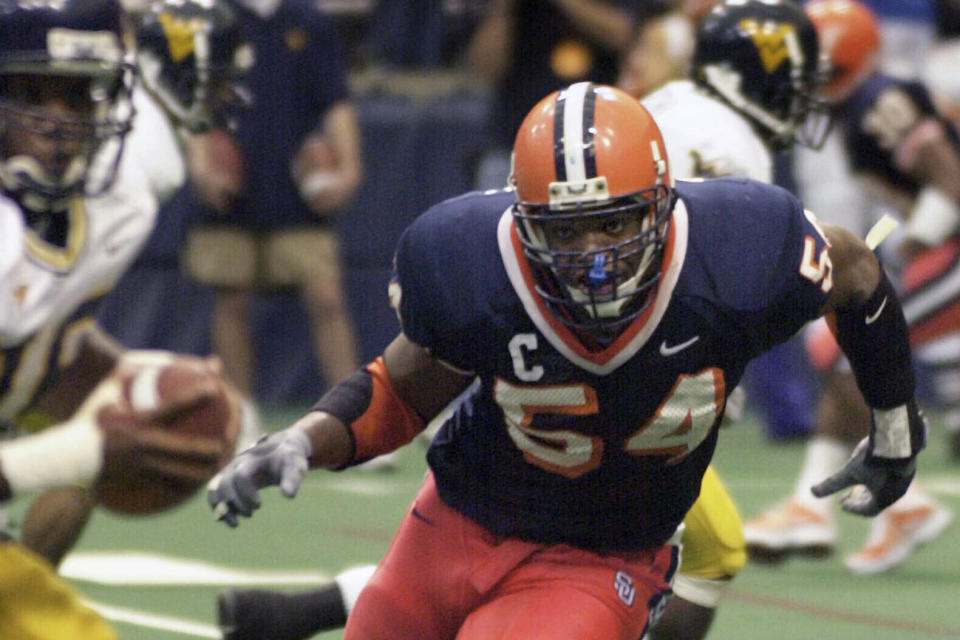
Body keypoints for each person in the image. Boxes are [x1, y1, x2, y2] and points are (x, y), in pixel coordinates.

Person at [209, 81, 926, 640]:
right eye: (567, 230)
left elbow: (858, 271)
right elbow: (404, 387)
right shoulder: (472, 262)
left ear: (660, 204)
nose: (594, 259)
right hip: (456, 523)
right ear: (522, 220)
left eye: (614, 223)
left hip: (602, 555)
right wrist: (305, 434)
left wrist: (895, 423)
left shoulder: (738, 250)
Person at [0, 1, 242, 638]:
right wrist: (83, 448)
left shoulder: (115, 203)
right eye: (31, 93)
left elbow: (39, 339)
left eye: (80, 97)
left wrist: (126, 383)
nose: (59, 124)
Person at [744, 0, 955, 575]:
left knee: (843, 344)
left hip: (952, 257)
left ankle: (897, 503)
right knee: (835, 347)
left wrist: (916, 241)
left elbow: (951, 180)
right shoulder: (859, 102)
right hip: (942, 256)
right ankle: (824, 503)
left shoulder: (876, 102)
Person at [180, 0, 363, 409]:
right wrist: (201, 166)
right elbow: (196, 99)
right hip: (234, 184)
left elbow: (335, 100)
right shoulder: (212, 22)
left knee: (327, 298)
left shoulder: (309, 21)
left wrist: (349, 169)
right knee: (233, 300)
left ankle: (355, 413)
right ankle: (239, 415)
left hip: (294, 186)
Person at [466, 0, 646, 190]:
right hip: (517, 143)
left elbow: (625, 34)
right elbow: (482, 70)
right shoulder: (517, 11)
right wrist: (503, 9)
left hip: (600, 143)